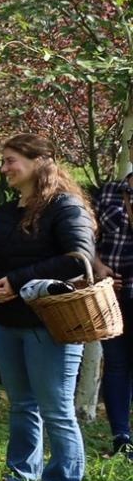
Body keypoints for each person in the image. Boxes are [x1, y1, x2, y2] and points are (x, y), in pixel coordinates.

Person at [0, 134, 94, 481]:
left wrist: (16, 281)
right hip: (6, 322)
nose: (5, 168)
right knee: (22, 404)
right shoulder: (7, 212)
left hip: (50, 324)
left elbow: (78, 258)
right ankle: (21, 475)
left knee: (56, 409)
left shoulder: (66, 207)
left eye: (11, 160)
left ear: (39, 160)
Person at [96, 157, 133, 459]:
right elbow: (89, 236)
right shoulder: (109, 191)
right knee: (116, 366)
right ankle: (121, 439)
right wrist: (98, 266)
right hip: (112, 295)